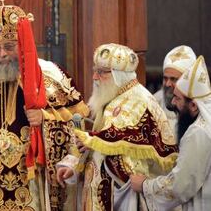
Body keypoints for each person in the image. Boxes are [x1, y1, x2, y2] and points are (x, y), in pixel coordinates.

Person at [0, 2, 89, 210]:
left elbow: (78, 128)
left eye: (9, 47)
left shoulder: (50, 76)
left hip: (33, 180)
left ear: (24, 43)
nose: (2, 54)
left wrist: (45, 118)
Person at [56, 43, 179, 210]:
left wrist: (93, 139)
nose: (94, 77)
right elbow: (101, 142)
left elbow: (126, 141)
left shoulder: (138, 100)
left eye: (101, 72)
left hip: (121, 198)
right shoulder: (114, 97)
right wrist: (73, 166)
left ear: (119, 75)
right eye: (95, 70)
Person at [130, 56, 211, 210]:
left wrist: (144, 185)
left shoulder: (198, 132)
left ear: (194, 105)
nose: (172, 103)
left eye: (178, 98)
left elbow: (180, 186)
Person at [153, 45, 196, 134]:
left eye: (174, 79)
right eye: (165, 78)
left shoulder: (196, 106)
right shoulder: (154, 101)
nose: (168, 84)